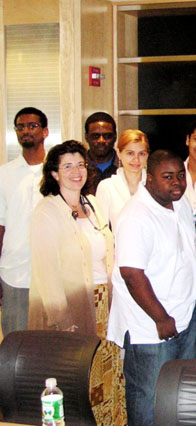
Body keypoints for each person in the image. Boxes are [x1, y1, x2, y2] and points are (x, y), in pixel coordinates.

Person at [29, 140, 126, 425]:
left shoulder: (92, 203)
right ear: (54, 173)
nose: (76, 172)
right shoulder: (47, 211)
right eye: (67, 166)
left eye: (80, 165)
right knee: (77, 375)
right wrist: (62, 320)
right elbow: (46, 270)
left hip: (103, 303)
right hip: (72, 306)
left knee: (105, 372)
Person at [107, 150, 196, 426]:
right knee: (149, 398)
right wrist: (160, 318)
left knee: (178, 397)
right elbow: (132, 274)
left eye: (180, 175)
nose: (177, 183)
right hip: (151, 327)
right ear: (149, 178)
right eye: (168, 177)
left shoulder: (179, 203)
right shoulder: (136, 216)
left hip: (184, 317)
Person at [0, 107, 47, 335]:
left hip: (53, 274)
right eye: (20, 127)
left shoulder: (57, 172)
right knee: (15, 343)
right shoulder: (4, 174)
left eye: (32, 126)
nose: (26, 131)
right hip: (14, 274)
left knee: (52, 346)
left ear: (45, 131)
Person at [95, 129, 149, 228]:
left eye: (141, 154)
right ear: (119, 153)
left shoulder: (155, 186)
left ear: (147, 155)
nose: (136, 159)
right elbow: (101, 230)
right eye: (130, 153)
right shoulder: (107, 187)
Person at [85, 112, 120, 195]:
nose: (101, 141)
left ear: (115, 137)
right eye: (95, 136)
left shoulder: (126, 166)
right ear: (86, 137)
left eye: (107, 136)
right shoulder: (78, 168)